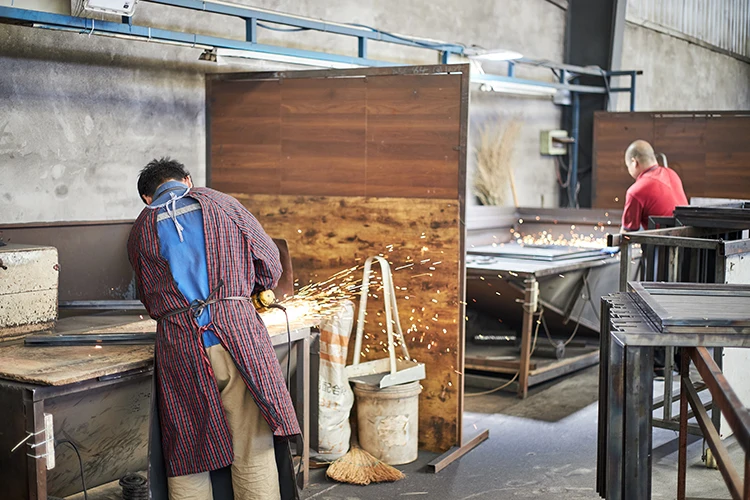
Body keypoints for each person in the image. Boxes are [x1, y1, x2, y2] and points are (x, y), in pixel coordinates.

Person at [127, 158, 300, 500]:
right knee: (252, 443)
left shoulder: (141, 229)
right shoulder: (223, 204)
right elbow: (269, 260)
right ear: (187, 181)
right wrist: (252, 291)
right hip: (237, 335)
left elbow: (150, 300)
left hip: (181, 346)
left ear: (147, 197)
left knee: (188, 450)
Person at [620, 139, 688, 232]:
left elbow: (627, 234)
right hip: (688, 236)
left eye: (628, 166)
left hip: (663, 240)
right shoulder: (672, 174)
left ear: (634, 162)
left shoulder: (636, 191)